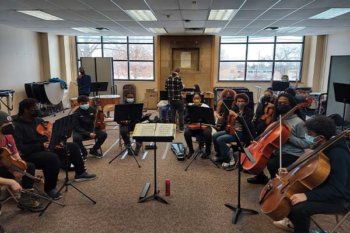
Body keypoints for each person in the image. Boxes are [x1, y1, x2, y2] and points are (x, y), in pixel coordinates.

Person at [273, 115, 350, 233]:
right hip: (325, 186)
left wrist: (308, 196)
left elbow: (337, 189)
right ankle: (297, 225)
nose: (307, 136)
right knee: (290, 196)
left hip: (341, 198)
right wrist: (289, 170)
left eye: (310, 134)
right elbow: (307, 163)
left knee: (298, 208)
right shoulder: (324, 144)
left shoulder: (339, 155)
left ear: (321, 137)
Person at [12, 98, 97, 200]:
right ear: (25, 110)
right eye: (34, 108)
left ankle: (80, 173)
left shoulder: (38, 120)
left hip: (44, 147)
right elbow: (21, 148)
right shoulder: (16, 126)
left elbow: (47, 135)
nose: (37, 109)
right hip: (29, 154)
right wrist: (41, 145)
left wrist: (54, 141)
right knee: (52, 158)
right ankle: (50, 189)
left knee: (72, 146)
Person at [247, 93, 310, 184]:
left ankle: (275, 184)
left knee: (272, 164)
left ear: (291, 104)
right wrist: (259, 140)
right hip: (277, 149)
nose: (282, 105)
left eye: (285, 103)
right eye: (279, 103)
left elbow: (306, 144)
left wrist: (289, 137)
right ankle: (261, 177)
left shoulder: (299, 123)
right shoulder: (279, 118)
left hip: (292, 153)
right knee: (253, 157)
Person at [0, 111, 45, 212]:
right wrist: (10, 181)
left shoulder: (8, 136)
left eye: (10, 124)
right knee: (9, 178)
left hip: (5, 164)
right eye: (6, 125)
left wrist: (20, 167)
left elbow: (16, 155)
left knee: (29, 166)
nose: (10, 127)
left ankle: (25, 199)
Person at [212, 93, 255, 169]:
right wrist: (222, 124)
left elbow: (246, 123)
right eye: (238, 101)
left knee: (220, 139)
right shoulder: (233, 109)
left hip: (241, 133)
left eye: (242, 101)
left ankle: (230, 159)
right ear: (235, 101)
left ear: (246, 102)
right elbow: (227, 120)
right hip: (231, 130)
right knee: (215, 136)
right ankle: (220, 155)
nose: (240, 103)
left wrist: (237, 116)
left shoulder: (249, 112)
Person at [72, 95, 107, 160]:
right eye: (83, 103)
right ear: (79, 104)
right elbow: (76, 127)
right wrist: (88, 134)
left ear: (88, 102)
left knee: (103, 134)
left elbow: (99, 119)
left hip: (91, 129)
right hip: (81, 131)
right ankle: (83, 152)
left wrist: (100, 112)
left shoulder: (93, 109)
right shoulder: (76, 113)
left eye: (86, 103)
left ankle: (93, 150)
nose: (85, 105)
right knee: (76, 138)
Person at [184, 94, 212, 159]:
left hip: (204, 126)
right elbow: (185, 119)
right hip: (193, 126)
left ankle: (207, 151)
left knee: (207, 134)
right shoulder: (189, 107)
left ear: (200, 99)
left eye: (198, 98)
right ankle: (191, 150)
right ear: (193, 99)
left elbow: (210, 119)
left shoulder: (205, 106)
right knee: (186, 133)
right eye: (195, 98)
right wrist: (190, 121)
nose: (196, 100)